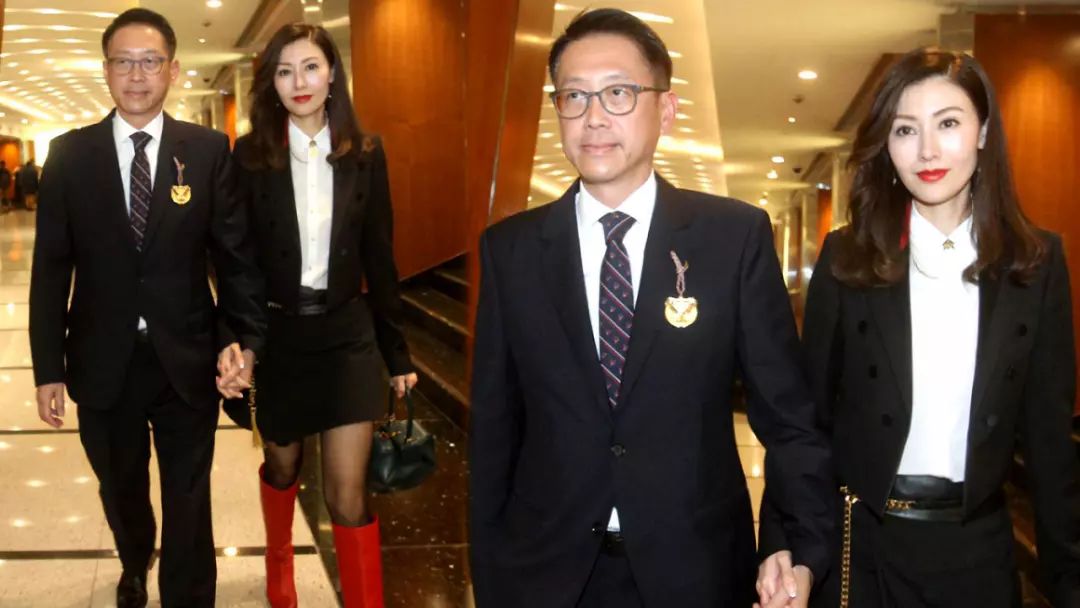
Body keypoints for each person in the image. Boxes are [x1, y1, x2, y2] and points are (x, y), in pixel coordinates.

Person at [468, 8, 834, 608]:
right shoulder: (511, 251)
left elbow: (788, 418)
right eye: (574, 96)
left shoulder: (731, 239)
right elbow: (494, 431)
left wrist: (794, 545)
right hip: (546, 573)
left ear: (666, 109)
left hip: (695, 570)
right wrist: (490, 577)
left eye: (618, 93)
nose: (593, 117)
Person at [796, 48, 1080, 608]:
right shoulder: (848, 256)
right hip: (866, 551)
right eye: (906, 129)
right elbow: (808, 423)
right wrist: (789, 549)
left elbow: (1049, 441)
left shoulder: (1035, 262)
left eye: (948, 123)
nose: (927, 150)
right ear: (887, 143)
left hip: (978, 556)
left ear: (983, 131)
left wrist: (1069, 580)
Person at [29, 8, 265, 607]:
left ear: (173, 70)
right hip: (101, 360)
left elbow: (235, 259)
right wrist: (48, 367)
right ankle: (135, 557)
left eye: (150, 61)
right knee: (121, 488)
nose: (137, 75)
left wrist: (242, 340)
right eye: (124, 62)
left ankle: (188, 595)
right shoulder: (69, 155)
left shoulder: (207, 151)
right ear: (106, 69)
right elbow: (51, 269)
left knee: (189, 495)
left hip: (186, 357)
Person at [229, 23, 417, 608]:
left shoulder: (365, 153)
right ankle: (279, 565)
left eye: (310, 67)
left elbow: (380, 257)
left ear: (332, 72)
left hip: (347, 337)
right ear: (272, 84)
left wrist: (397, 355)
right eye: (285, 72)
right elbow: (238, 261)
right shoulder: (251, 156)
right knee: (283, 469)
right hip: (280, 336)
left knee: (347, 495)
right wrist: (243, 341)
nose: (299, 82)